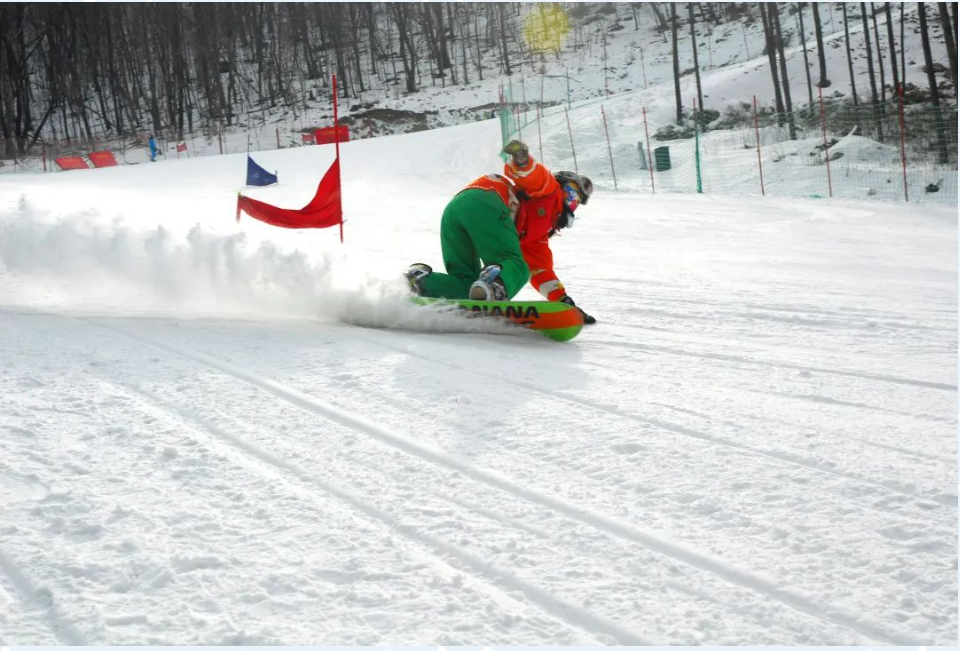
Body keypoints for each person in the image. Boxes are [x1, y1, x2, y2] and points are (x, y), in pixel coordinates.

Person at [406, 140, 596, 324]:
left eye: (576, 202)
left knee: (466, 283)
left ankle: (421, 282)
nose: (572, 205)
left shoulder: (535, 237)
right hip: (488, 203)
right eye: (571, 195)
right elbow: (534, 175)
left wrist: (564, 302)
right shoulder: (549, 190)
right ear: (560, 186)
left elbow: (541, 271)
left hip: (456, 209)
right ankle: (493, 288)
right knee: (518, 266)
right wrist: (522, 161)